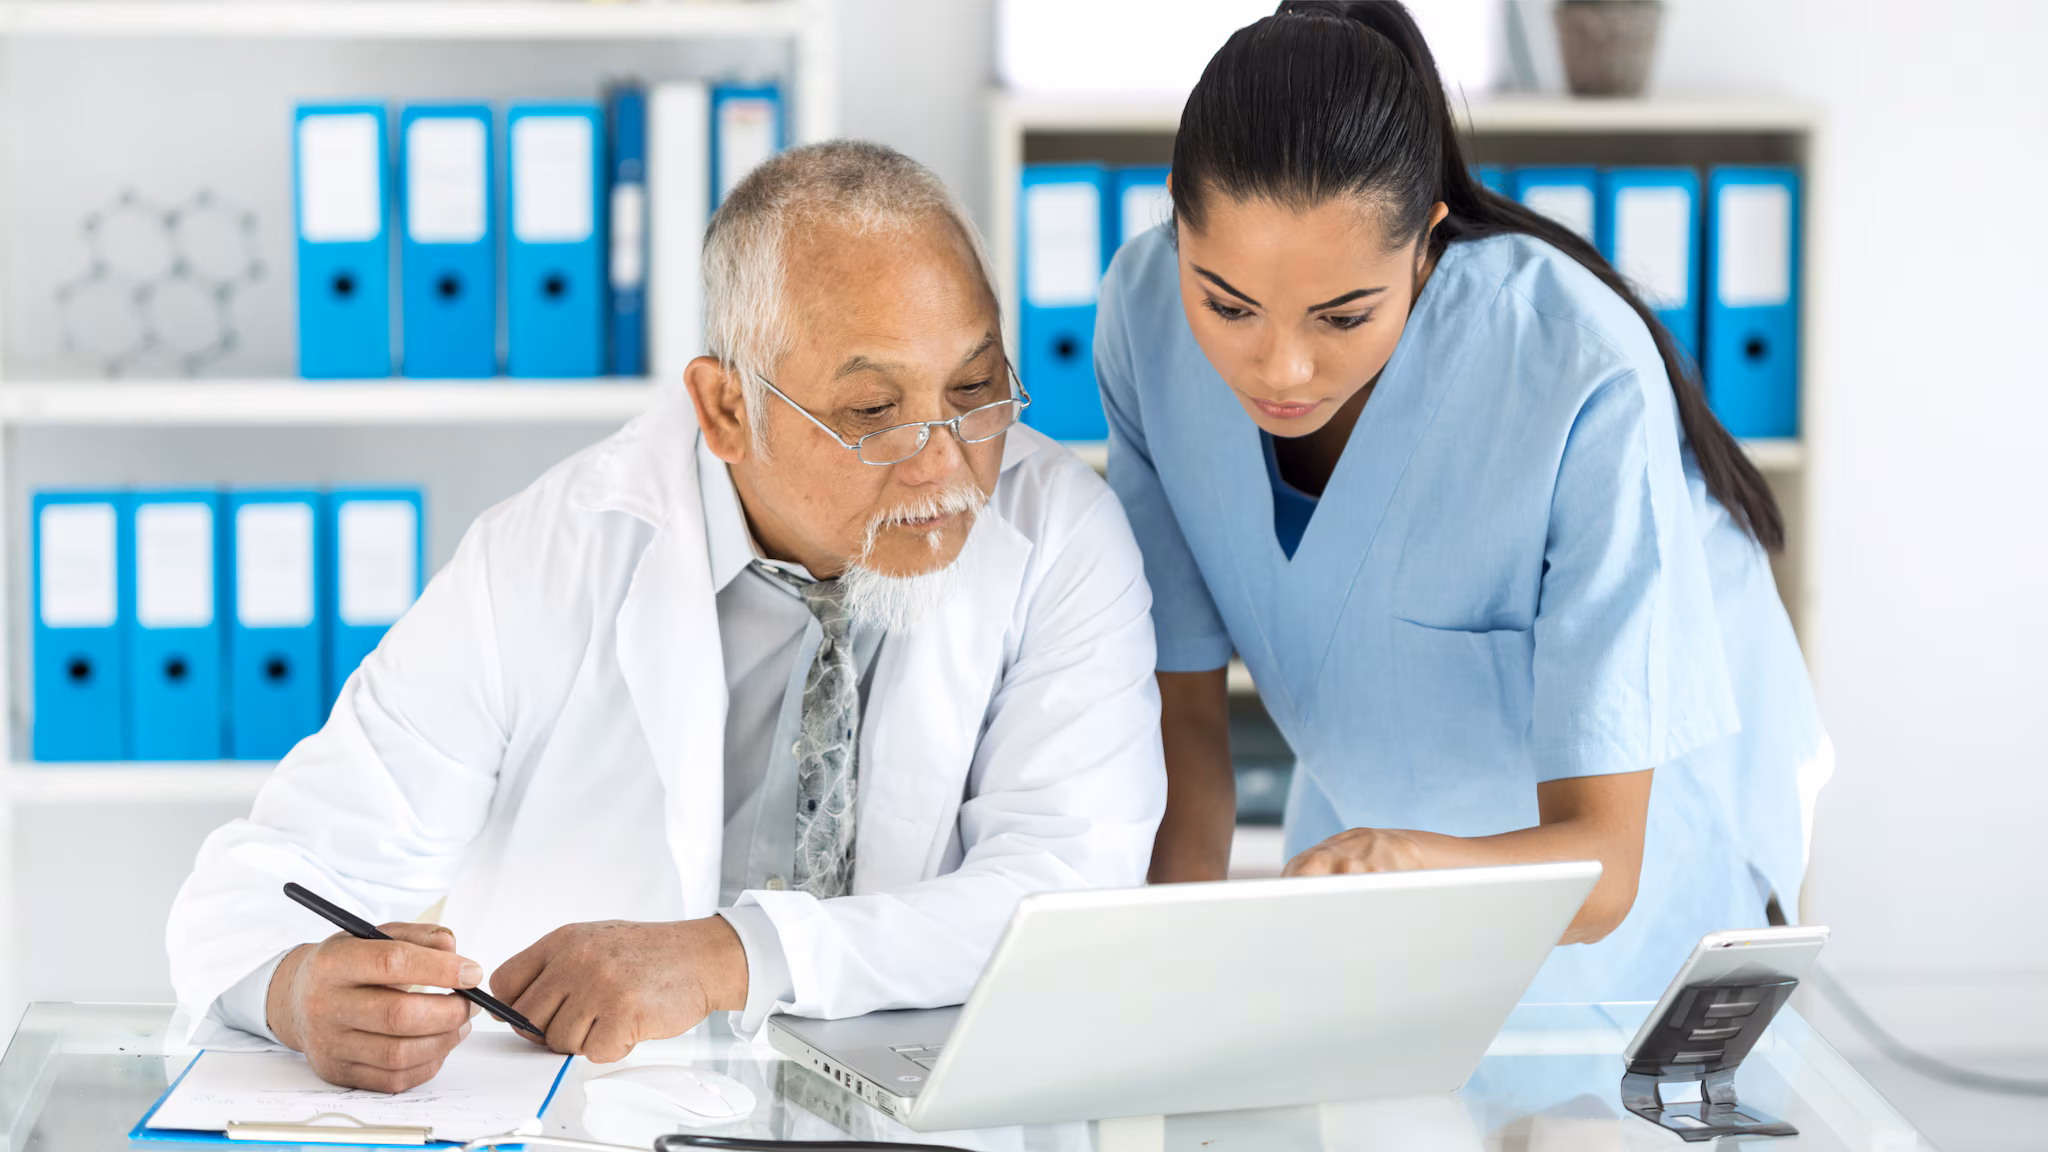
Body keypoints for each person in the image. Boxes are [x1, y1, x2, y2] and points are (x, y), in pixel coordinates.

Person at [168, 141, 1166, 1091]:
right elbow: (274, 876)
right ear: (726, 409)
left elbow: (1064, 898)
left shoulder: (1061, 537)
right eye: (874, 412)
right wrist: (298, 990)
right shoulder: (553, 552)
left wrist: (733, 955)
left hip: (931, 1121)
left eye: (974, 387)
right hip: (593, 1119)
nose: (945, 461)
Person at [1099, 1, 1830, 1000]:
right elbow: (1184, 739)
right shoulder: (1140, 316)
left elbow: (1604, 870)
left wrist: (1401, 867)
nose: (1280, 366)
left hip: (1616, 935)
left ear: (1423, 246)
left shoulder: (1575, 375)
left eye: (1342, 314)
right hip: (1371, 875)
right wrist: (1150, 998)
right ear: (1174, 226)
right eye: (1225, 304)